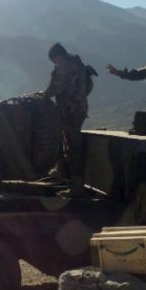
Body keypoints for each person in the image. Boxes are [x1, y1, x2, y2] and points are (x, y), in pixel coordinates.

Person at [40, 42, 97, 191]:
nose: (54, 64)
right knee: (69, 145)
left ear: (57, 56)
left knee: (72, 148)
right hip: (78, 109)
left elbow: (56, 86)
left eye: (54, 61)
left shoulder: (64, 65)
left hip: (69, 111)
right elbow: (88, 87)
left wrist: (44, 95)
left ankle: (77, 186)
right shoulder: (78, 63)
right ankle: (66, 178)